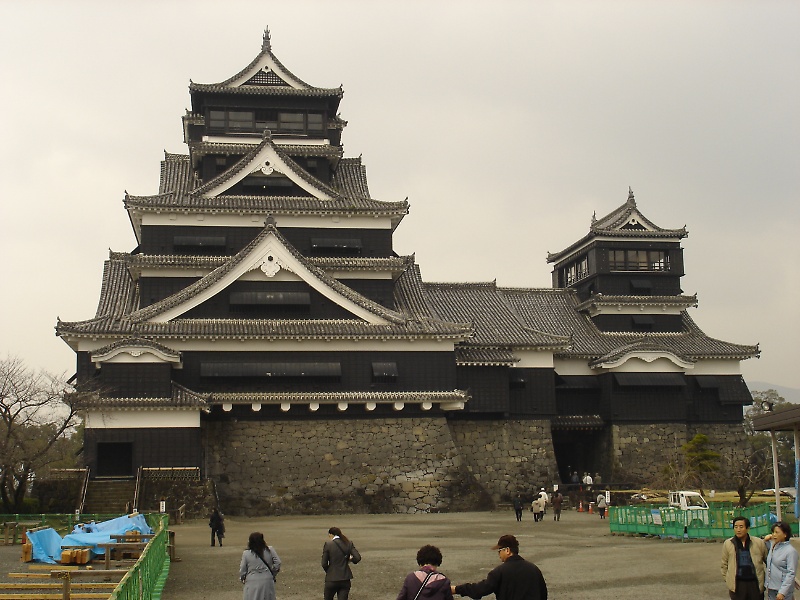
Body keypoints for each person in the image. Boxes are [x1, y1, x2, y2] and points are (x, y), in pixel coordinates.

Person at [451, 534, 547, 600]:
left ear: (507, 551)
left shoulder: (500, 571)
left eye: (499, 551)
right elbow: (543, 594)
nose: (499, 554)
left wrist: (457, 589)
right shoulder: (534, 569)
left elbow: (481, 589)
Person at [721, 516, 767, 600]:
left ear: (748, 528)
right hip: (738, 585)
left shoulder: (758, 543)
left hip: (755, 583)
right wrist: (729, 580)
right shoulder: (728, 544)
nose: (738, 529)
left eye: (741, 527)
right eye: (736, 527)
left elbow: (768, 561)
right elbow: (724, 565)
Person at [322, 526, 361, 600]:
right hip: (345, 578)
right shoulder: (348, 543)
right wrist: (351, 559)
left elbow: (324, 563)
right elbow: (357, 558)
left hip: (332, 579)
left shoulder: (328, 544)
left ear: (331, 534)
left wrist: (329, 571)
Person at [240, 532, 281, 600]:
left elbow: (243, 569)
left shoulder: (246, 553)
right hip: (267, 579)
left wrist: (242, 577)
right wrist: (272, 573)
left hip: (252, 580)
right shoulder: (270, 550)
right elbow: (278, 563)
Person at [764, 521, 799, 600]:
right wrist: (766, 540)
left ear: (785, 534)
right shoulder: (774, 546)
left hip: (782, 589)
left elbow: (791, 573)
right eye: (773, 532)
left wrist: (782, 592)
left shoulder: (790, 551)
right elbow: (766, 547)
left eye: (777, 532)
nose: (774, 535)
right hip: (771, 587)